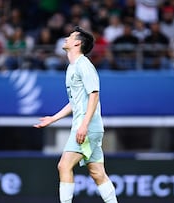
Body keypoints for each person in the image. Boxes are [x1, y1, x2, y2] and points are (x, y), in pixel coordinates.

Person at [34, 26, 118, 203]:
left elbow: (94, 95)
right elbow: (75, 102)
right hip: (87, 126)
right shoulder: (72, 68)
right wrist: (53, 118)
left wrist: (84, 125)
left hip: (86, 127)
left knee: (64, 165)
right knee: (97, 173)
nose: (66, 38)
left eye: (70, 37)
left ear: (78, 43)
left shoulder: (84, 65)